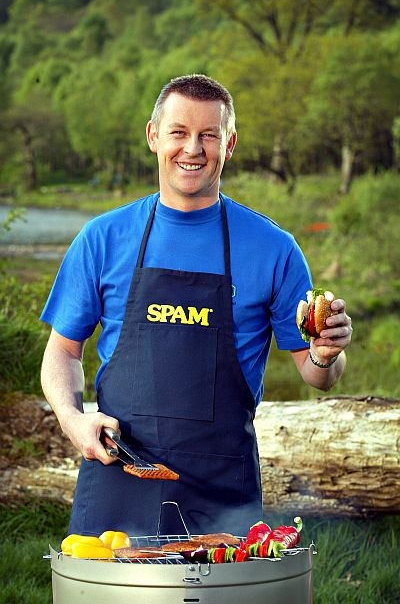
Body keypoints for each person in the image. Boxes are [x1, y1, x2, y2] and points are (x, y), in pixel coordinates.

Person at [40, 74, 352, 537]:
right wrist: (72, 421)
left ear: (230, 144)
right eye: (179, 132)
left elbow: (317, 374)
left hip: (223, 493)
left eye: (209, 135)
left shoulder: (274, 249)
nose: (193, 148)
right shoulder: (103, 238)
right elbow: (63, 352)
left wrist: (327, 355)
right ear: (153, 136)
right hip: (117, 475)